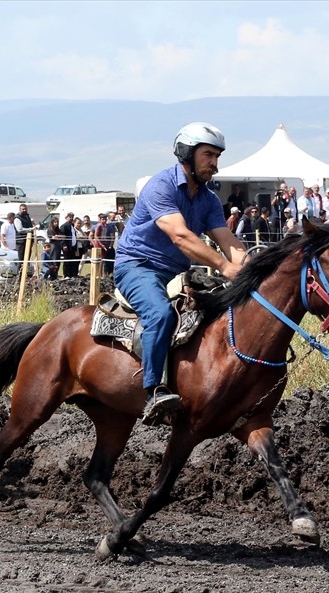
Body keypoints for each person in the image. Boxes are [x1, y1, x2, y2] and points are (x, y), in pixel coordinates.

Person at [112, 122, 246, 426]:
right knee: (160, 315)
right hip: (138, 266)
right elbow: (181, 236)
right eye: (208, 155)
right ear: (186, 153)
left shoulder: (209, 200)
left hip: (177, 272)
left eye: (217, 156)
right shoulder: (160, 187)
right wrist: (225, 267)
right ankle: (154, 392)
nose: (215, 163)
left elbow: (227, 241)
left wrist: (249, 268)